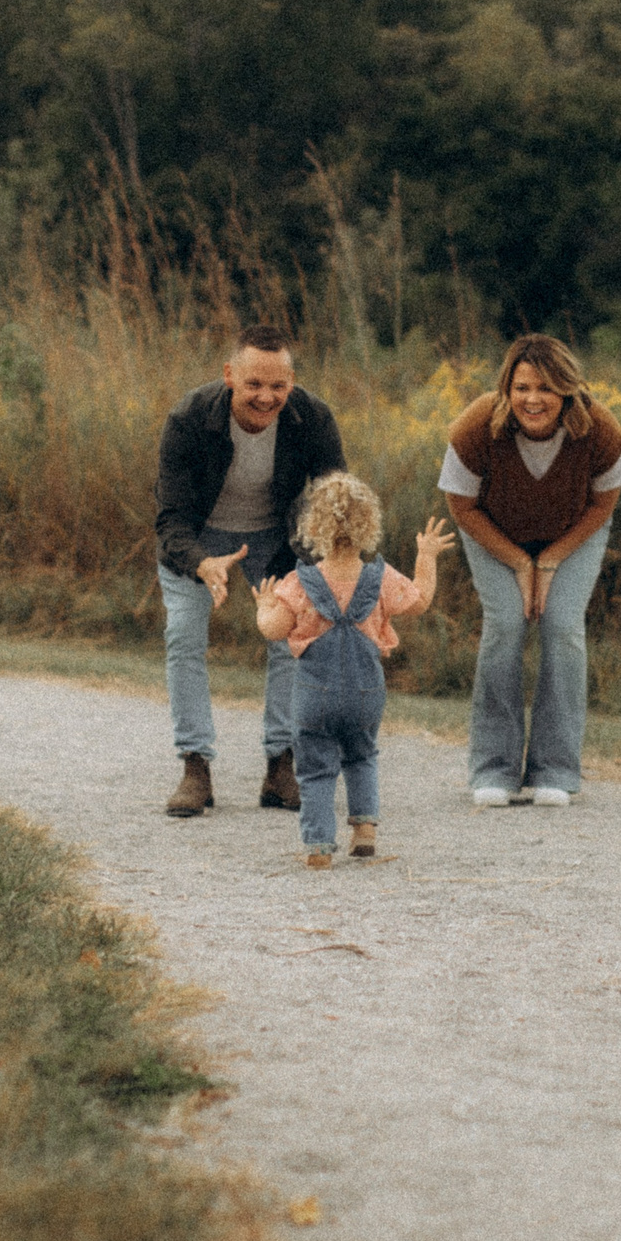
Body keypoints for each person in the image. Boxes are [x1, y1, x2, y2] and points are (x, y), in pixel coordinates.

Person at [154, 323, 346, 818]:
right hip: (197, 538)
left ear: (292, 382)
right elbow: (169, 518)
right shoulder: (189, 418)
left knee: (289, 637)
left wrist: (324, 564)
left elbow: (334, 501)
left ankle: (281, 763)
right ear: (229, 377)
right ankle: (195, 763)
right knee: (184, 636)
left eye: (278, 386)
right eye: (254, 384)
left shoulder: (313, 418)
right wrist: (200, 562)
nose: (266, 398)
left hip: (275, 538)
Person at [441, 334, 621, 809]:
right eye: (522, 387)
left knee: (562, 626)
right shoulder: (477, 426)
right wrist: (518, 562)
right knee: (505, 624)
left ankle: (556, 769)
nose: (533, 399)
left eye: (546, 388)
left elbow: (603, 504)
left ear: (567, 390)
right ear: (507, 387)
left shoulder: (599, 428)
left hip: (573, 533)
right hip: (491, 531)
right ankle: (494, 769)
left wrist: (548, 561)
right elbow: (462, 507)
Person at [253, 474, 454, 868]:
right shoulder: (381, 579)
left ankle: (318, 847)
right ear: (369, 525)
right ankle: (364, 831)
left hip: (314, 696)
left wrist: (263, 606)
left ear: (314, 527)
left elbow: (274, 630)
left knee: (314, 769)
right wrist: (426, 555)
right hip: (366, 694)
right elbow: (421, 600)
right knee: (361, 756)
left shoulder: (299, 583)